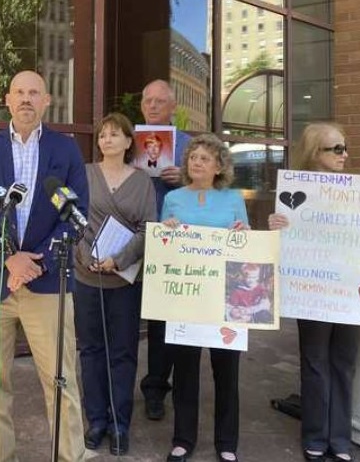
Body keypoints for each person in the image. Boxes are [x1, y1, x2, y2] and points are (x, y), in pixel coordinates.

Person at [0, 70, 88, 462]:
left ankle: (70, 456)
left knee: (60, 380)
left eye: (35, 92)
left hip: (48, 285)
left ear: (47, 100)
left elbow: (76, 215)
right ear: (8, 98)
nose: (27, 99)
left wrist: (36, 264)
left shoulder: (66, 151)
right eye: (20, 92)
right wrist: (8, 260)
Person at [268, 122, 360, 462]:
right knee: (315, 362)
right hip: (314, 290)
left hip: (350, 293)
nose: (345, 155)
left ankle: (339, 439)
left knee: (344, 363)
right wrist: (276, 227)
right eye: (337, 149)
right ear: (316, 152)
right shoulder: (296, 191)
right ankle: (315, 436)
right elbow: (282, 243)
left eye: (345, 148)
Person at [160, 133, 248, 462]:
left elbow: (244, 241)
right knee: (184, 371)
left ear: (219, 167)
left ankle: (227, 444)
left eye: (205, 158)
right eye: (193, 157)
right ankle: (183, 439)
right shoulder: (173, 199)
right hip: (185, 296)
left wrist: (243, 233)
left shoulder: (233, 198)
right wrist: (165, 230)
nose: (197, 162)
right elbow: (162, 245)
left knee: (226, 373)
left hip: (226, 298)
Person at [73, 113, 156, 456]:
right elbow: (72, 220)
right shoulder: (84, 174)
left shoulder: (142, 182)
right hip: (86, 277)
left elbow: (147, 228)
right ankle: (96, 421)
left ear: (127, 142)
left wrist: (118, 260)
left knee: (122, 354)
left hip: (124, 280)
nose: (106, 139)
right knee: (90, 352)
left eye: (114, 134)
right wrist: (84, 256)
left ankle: (120, 424)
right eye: (102, 135)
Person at [138, 78, 191, 421]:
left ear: (173, 107)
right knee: (124, 317)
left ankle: (156, 388)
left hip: (172, 243)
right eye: (148, 100)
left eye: (160, 101)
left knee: (162, 321)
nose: (153, 106)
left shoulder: (189, 144)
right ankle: (117, 386)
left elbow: (213, 187)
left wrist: (185, 177)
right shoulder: (130, 143)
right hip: (132, 237)